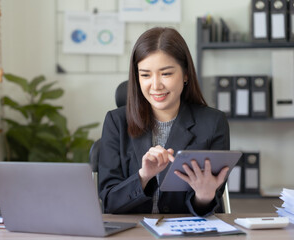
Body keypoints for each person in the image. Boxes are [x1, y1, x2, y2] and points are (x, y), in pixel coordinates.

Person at [98, 27, 230, 217]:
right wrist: (144, 176)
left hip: (185, 234)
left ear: (185, 74)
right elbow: (110, 202)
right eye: (145, 75)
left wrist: (204, 196)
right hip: (131, 232)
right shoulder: (116, 122)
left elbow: (209, 205)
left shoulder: (213, 122)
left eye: (166, 74)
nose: (156, 85)